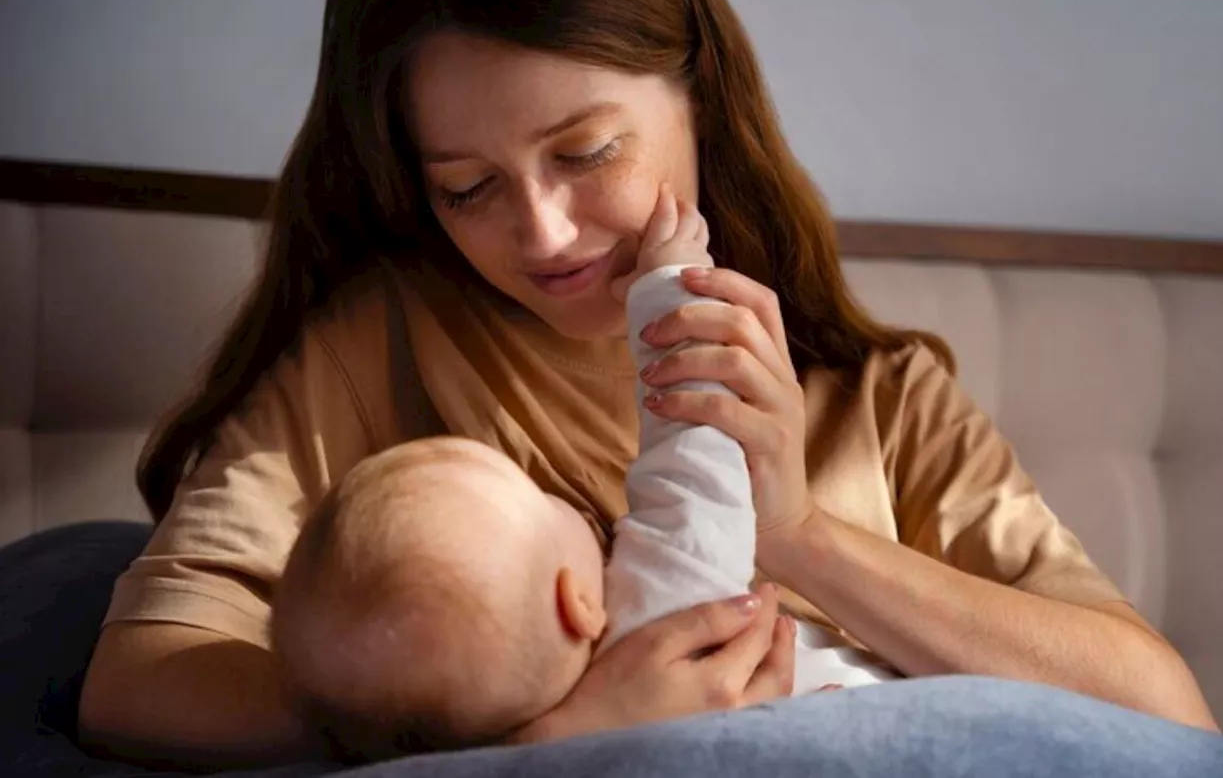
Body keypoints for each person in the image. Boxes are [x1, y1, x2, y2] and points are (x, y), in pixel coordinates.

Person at [78, 0, 1222, 771]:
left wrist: (798, 533)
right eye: (466, 187)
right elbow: (138, 682)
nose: (542, 232)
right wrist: (549, 722)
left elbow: (1163, 720)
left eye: (584, 154)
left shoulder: (883, 396)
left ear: (700, 109)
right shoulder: (375, 347)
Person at [270, 191, 892, 762]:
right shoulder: (658, 612)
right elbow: (694, 454)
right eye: (535, 498)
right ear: (579, 604)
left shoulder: (496, 728)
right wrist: (671, 287)